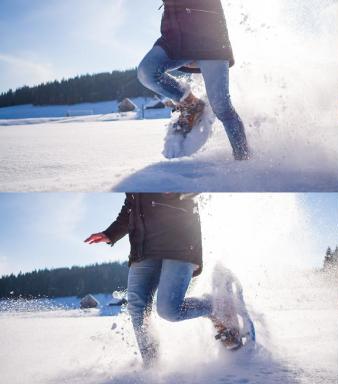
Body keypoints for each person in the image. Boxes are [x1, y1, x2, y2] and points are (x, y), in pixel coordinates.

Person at [84, 193, 242, 367]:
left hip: (178, 241)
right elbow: (131, 206)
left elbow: (193, 185)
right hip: (143, 248)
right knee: (137, 308)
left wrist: (177, 190)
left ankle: (216, 306)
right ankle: (153, 369)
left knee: (169, 310)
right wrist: (110, 233)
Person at [137, 0, 249, 160]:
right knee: (147, 72)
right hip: (176, 37)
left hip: (210, 38)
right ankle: (191, 104)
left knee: (221, 106)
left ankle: (243, 158)